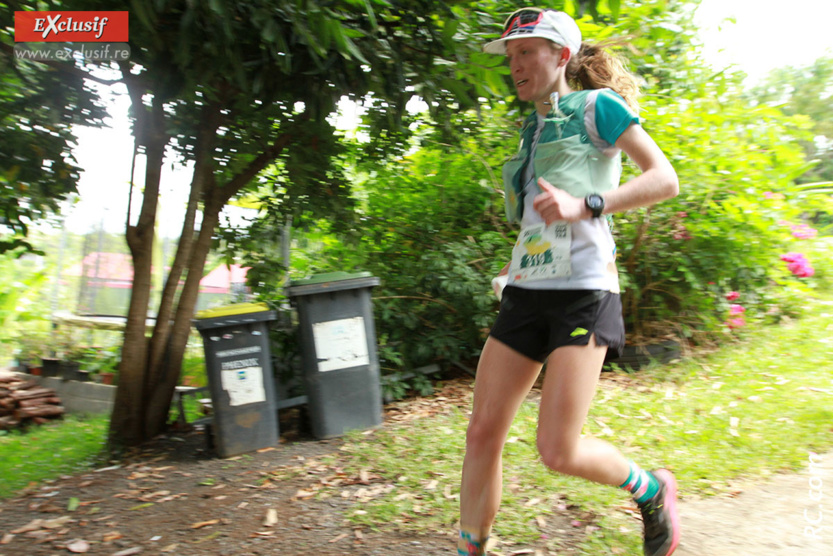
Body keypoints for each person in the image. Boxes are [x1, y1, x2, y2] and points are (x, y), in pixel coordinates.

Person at [458, 8, 681, 556]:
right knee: (482, 433)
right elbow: (541, 220)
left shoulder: (597, 108)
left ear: (560, 56)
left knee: (557, 450)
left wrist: (587, 205)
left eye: (526, 51)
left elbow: (664, 179)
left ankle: (651, 491)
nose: (514, 64)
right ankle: (469, 549)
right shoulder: (532, 126)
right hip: (528, 294)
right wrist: (518, 266)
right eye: (510, 55)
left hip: (585, 293)